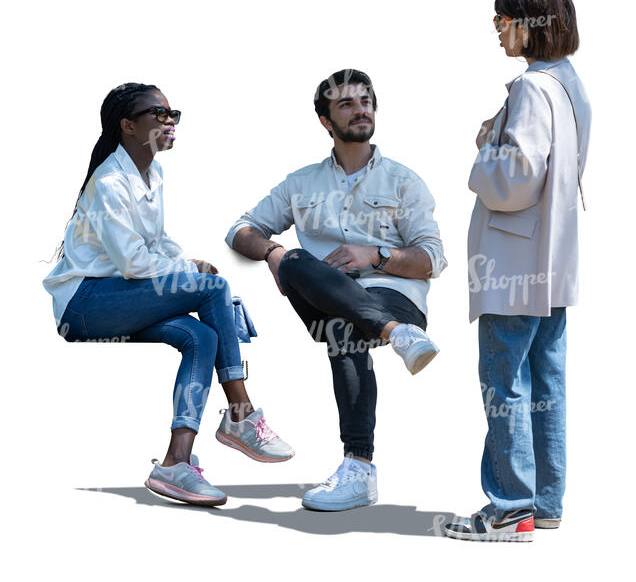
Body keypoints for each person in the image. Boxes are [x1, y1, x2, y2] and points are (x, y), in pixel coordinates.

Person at [43, 82, 294, 507]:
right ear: (127, 126)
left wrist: (189, 262)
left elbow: (155, 243)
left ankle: (175, 462)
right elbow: (134, 263)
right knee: (213, 289)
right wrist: (192, 274)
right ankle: (240, 415)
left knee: (203, 337)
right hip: (85, 304)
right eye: (157, 114)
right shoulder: (109, 183)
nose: (169, 121)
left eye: (172, 113)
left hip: (120, 297)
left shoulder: (151, 172)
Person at [226, 69, 447, 511]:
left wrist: (376, 255)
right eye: (346, 104)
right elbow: (239, 230)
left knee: (343, 332)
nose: (360, 109)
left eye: (365, 101)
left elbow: (432, 258)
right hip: (324, 292)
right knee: (292, 259)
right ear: (326, 121)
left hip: (394, 295)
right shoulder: (301, 183)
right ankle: (393, 335)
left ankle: (358, 468)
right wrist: (272, 253)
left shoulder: (404, 181)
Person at [444, 0, 591, 542]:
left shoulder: (531, 88)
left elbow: (516, 180)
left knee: (503, 381)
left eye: (504, 19)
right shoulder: (573, 85)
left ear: (531, 23)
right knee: (545, 379)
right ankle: (545, 502)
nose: (498, 30)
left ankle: (509, 508)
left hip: (514, 261)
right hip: (553, 259)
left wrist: (485, 146)